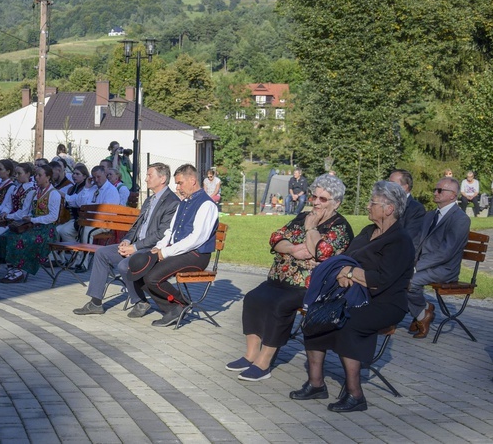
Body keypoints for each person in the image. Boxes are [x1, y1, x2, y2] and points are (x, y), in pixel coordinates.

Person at [290, 181, 415, 412]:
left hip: (386, 302)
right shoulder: (369, 231)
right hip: (354, 293)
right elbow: (347, 258)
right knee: (316, 314)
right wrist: (344, 271)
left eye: (373, 203)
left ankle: (355, 394)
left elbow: (380, 280)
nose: (368, 206)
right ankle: (316, 383)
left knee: (348, 321)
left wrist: (349, 272)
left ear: (389, 209)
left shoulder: (400, 240)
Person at [229, 174, 353, 381]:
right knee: (252, 298)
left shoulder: (339, 227)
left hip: (310, 286)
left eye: (323, 199)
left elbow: (322, 253)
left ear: (336, 203)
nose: (316, 202)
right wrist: (294, 249)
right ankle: (250, 355)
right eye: (314, 197)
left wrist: (310, 229)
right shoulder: (302, 215)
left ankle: (264, 362)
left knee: (280, 305)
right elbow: (276, 238)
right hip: (279, 278)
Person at [73, 163, 180, 316]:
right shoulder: (150, 200)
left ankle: (140, 301)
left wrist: (135, 248)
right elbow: (137, 226)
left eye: (150, 175)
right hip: (137, 245)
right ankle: (95, 303)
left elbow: (161, 235)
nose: (145, 179)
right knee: (102, 253)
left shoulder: (172, 202)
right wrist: (127, 241)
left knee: (125, 265)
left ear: (162, 178)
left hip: (154, 248)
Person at [125, 164, 218, 327]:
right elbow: (170, 231)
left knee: (152, 277)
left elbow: (196, 239)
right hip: (179, 252)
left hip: (197, 255)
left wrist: (165, 253)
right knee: (139, 270)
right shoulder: (183, 203)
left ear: (192, 180)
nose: (178, 187)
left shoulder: (206, 205)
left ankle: (179, 305)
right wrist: (159, 247)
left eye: (180, 183)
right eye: (176, 183)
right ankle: (173, 308)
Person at [408, 177, 470, 339]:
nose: (435, 193)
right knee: (394, 276)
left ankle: (422, 313)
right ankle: (423, 312)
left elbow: (446, 252)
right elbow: (417, 243)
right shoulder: (430, 215)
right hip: (424, 264)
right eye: (435, 190)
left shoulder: (460, 219)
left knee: (409, 281)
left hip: (444, 269)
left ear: (453, 195)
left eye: (440, 190)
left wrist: (416, 267)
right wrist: (408, 262)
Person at [0, 164, 62, 283]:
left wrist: (33, 220)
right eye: (36, 175)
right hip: (33, 225)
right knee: (6, 236)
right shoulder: (36, 192)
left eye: (40, 175)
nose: (36, 177)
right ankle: (12, 269)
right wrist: (28, 217)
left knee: (19, 239)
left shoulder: (54, 193)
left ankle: (18, 271)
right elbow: (30, 210)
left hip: (47, 229)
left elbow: (53, 217)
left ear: (48, 177)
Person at [57, 165, 120, 272]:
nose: (96, 180)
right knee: (62, 230)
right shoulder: (92, 188)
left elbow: (107, 212)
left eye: (99, 177)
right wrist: (86, 187)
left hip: (104, 223)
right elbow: (78, 202)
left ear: (105, 174)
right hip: (86, 221)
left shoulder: (111, 190)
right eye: (94, 177)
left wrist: (90, 212)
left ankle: (84, 263)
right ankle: (75, 257)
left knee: (86, 231)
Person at [388, 169, 425, 249]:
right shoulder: (386, 204)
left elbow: (408, 237)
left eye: (392, 184)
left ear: (404, 187)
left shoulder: (416, 209)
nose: (387, 187)